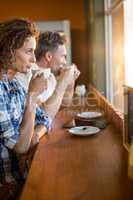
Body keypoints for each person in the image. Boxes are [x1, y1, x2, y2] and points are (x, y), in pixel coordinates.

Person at [0, 18, 51, 199]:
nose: (34, 59)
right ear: (9, 50)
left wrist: (34, 137)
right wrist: (32, 96)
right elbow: (21, 147)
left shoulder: (15, 85)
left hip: (22, 180)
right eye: (29, 51)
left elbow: (45, 119)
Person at [16, 31, 80, 121]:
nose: (65, 62)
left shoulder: (51, 77)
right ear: (49, 56)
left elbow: (62, 105)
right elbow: (42, 117)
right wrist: (63, 82)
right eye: (63, 56)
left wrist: (70, 82)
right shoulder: (24, 77)